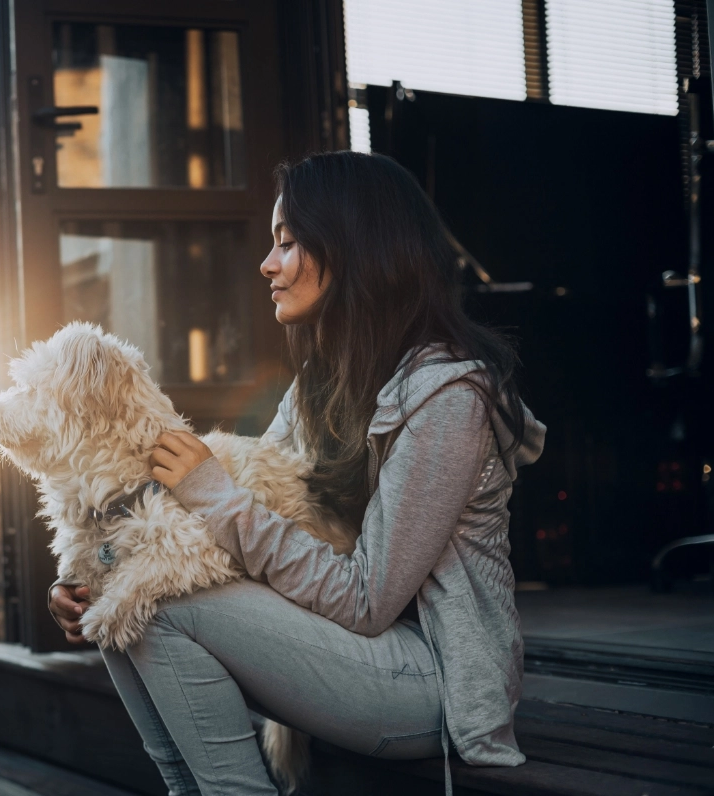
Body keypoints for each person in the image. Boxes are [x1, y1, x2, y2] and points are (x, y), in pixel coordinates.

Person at [49, 151, 546, 796]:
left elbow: (365, 601)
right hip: (342, 653)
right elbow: (245, 528)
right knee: (127, 592)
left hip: (431, 681)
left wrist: (216, 500)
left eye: (288, 243)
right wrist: (89, 574)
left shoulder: (449, 400)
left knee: (153, 601)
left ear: (355, 247)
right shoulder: (320, 386)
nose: (267, 264)